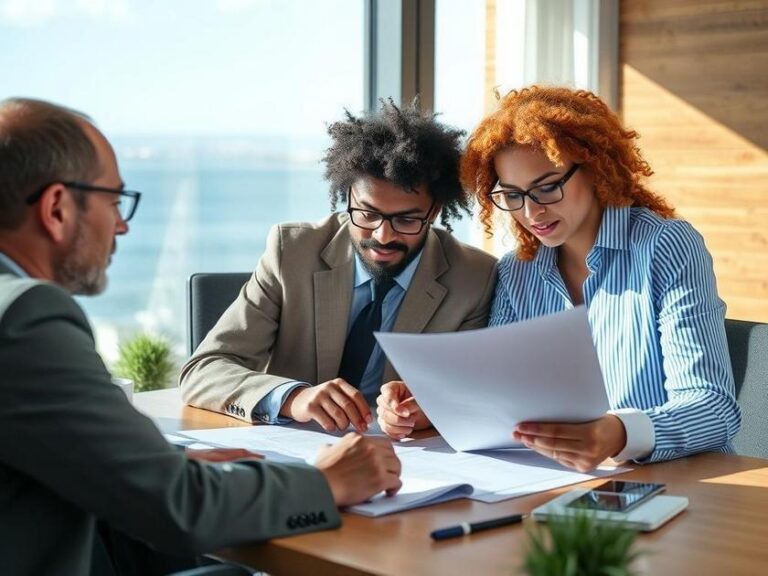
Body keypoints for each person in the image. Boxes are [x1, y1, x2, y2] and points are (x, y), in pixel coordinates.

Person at [0, 97, 402, 575]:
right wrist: (327, 481)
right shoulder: (26, 318)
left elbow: (51, 441)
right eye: (114, 200)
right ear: (57, 208)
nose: (123, 225)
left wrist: (163, 461)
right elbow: (180, 508)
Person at [381, 86, 741, 470]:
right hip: (563, 484)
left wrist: (617, 434)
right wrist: (434, 407)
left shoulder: (665, 245)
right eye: (513, 195)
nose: (531, 211)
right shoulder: (517, 272)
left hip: (683, 485)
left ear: (595, 167)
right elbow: (501, 394)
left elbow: (714, 409)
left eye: (547, 187)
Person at [180, 99, 497, 436]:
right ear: (347, 196)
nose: (382, 236)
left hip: (402, 460)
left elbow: (471, 393)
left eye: (406, 219)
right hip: (294, 456)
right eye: (368, 214)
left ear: (433, 213)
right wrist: (294, 398)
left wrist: (427, 410)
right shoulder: (292, 252)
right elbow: (204, 370)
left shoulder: (474, 278)